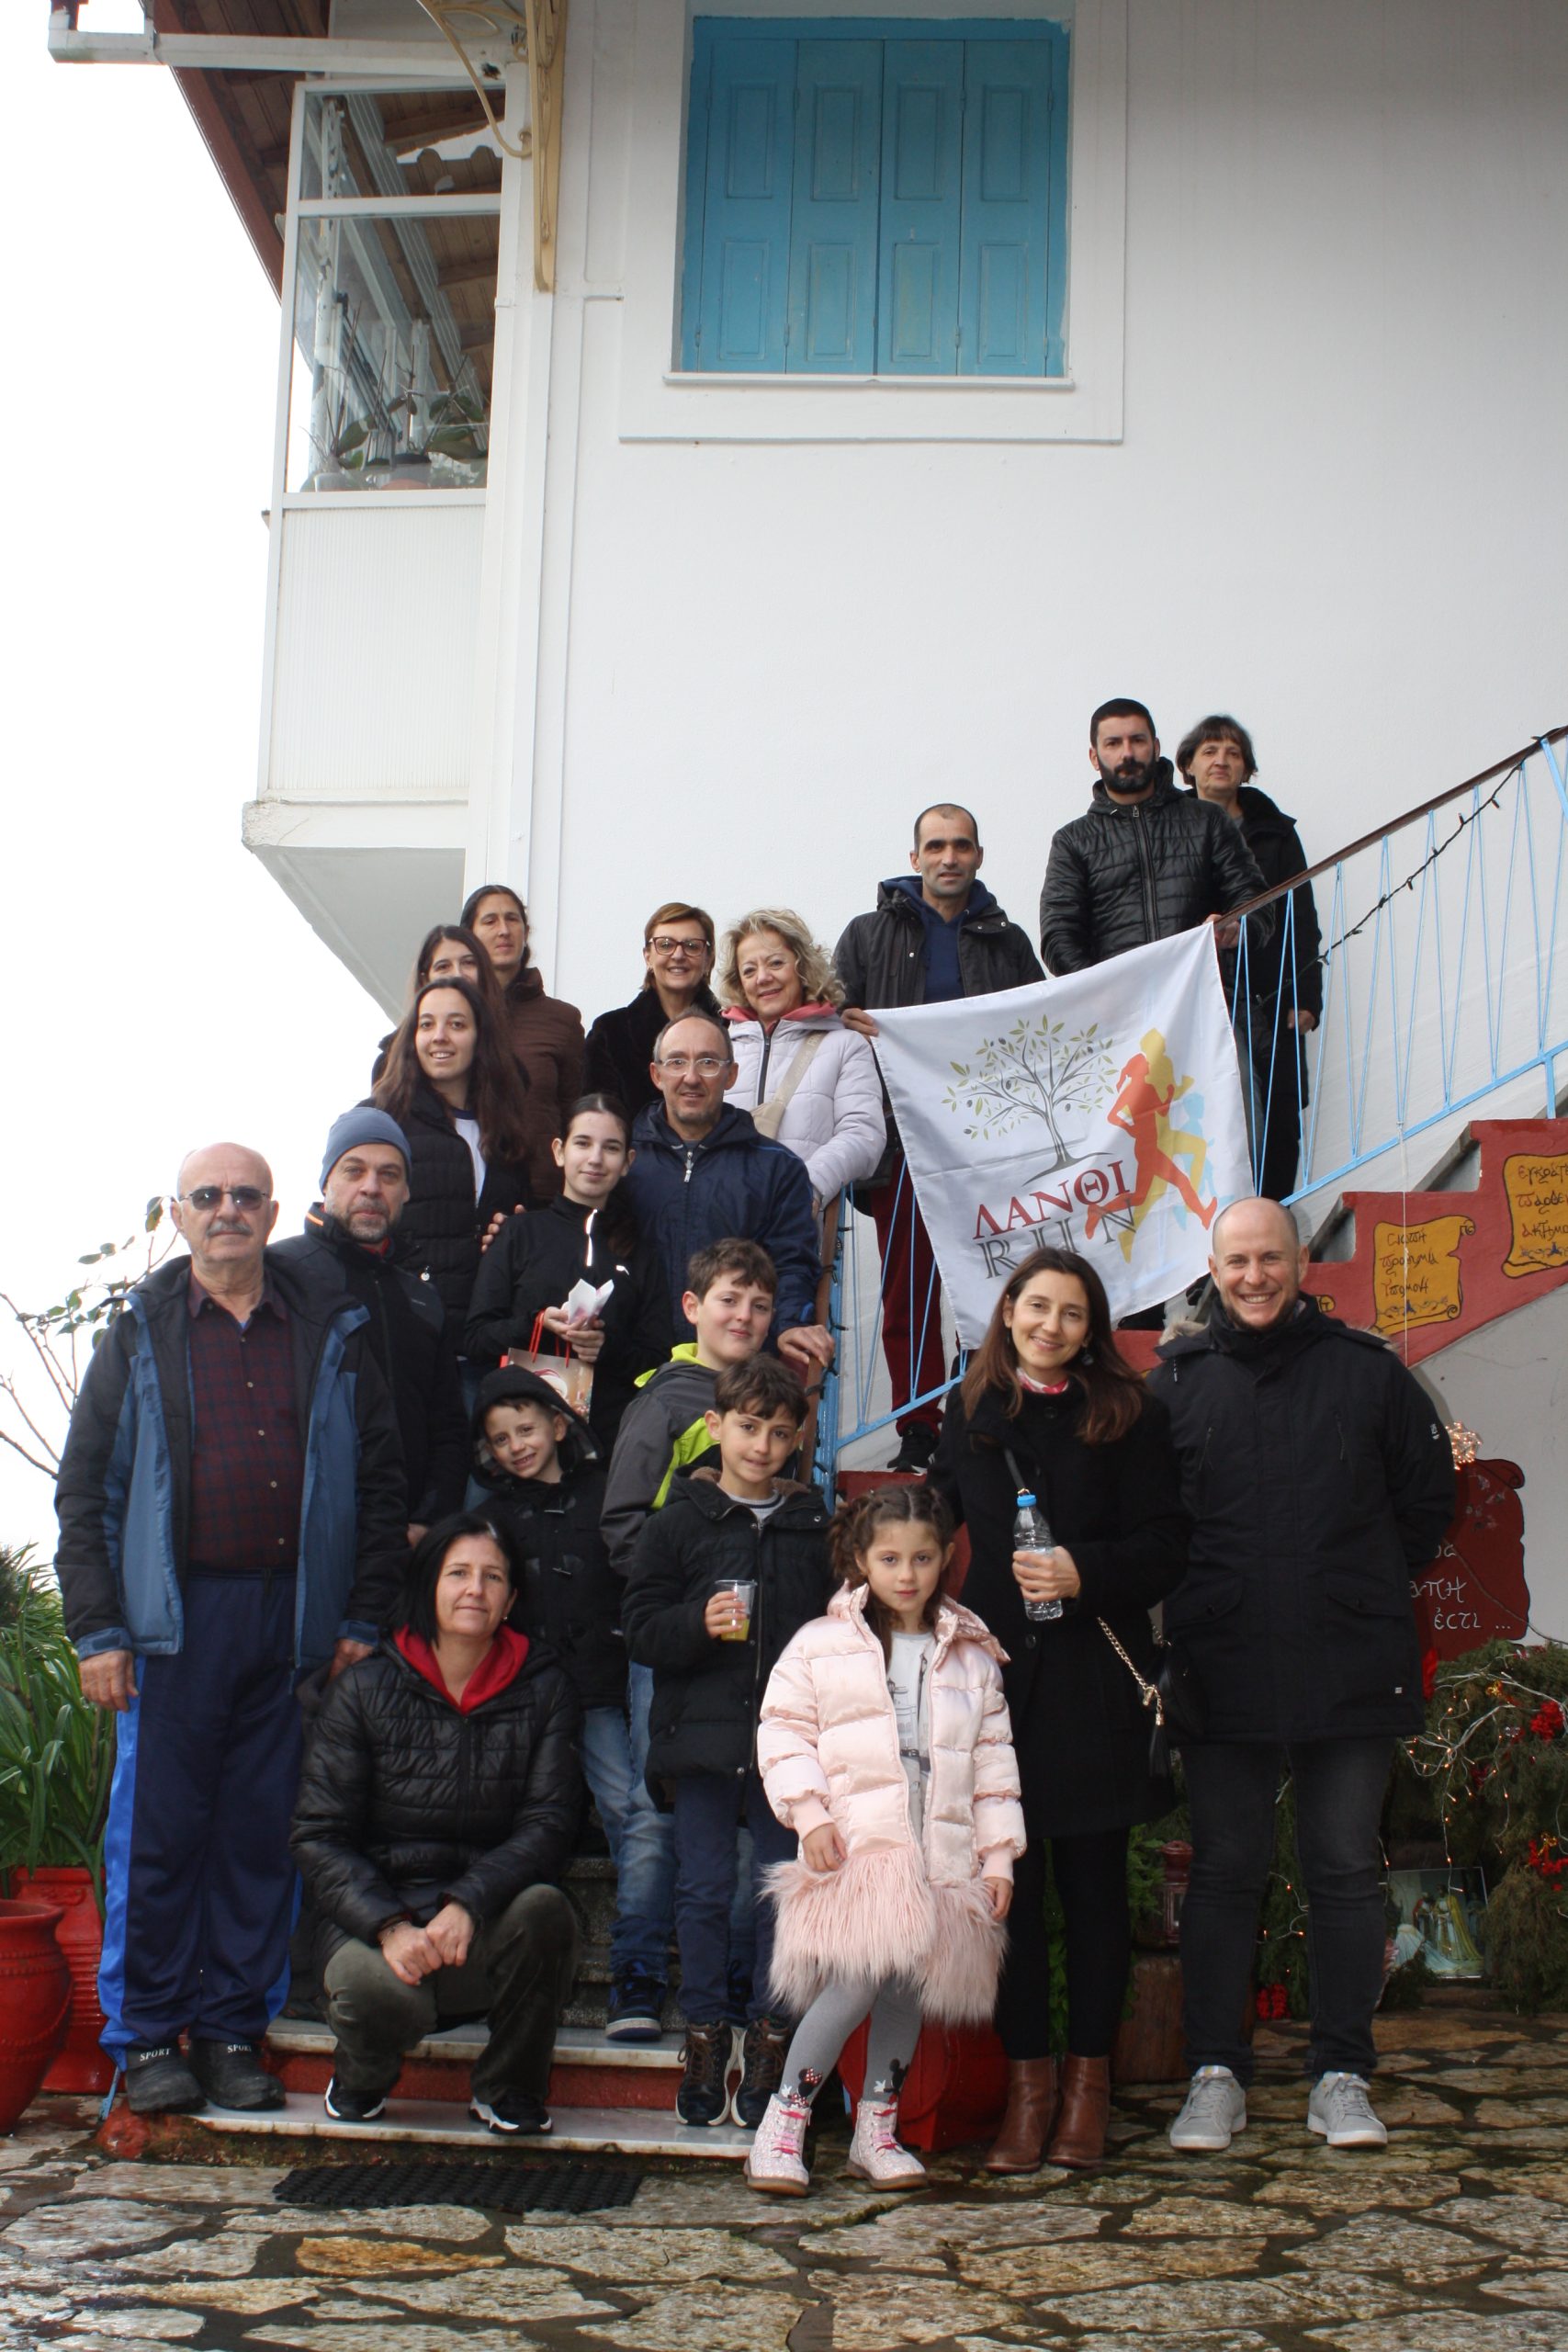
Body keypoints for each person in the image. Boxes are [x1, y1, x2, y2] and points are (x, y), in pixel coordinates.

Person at [54, 1144, 407, 2118]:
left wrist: (360, 1615)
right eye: (207, 1196)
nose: (227, 1210)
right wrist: (98, 1631)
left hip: (292, 1624)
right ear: (179, 1215)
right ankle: (145, 2039)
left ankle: (230, 2034)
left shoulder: (328, 1327)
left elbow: (380, 1484)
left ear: (273, 1212)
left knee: (260, 1839)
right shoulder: (139, 1332)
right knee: (157, 1841)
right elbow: (85, 1492)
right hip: (171, 1627)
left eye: (246, 1195)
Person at [1148, 1197, 1455, 2154]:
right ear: (1213, 1269)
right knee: (1224, 1872)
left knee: (1344, 1870)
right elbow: (1151, 1522)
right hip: (1223, 1660)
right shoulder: (1174, 1387)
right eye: (1236, 1261)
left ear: (1301, 1262)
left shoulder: (1369, 1374)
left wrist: (1355, 1581)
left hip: (1347, 1656)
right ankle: (1214, 2073)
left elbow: (1426, 1503)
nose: (1254, 1276)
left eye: (1270, 1258)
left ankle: (1341, 2075)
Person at [930, 1245, 1189, 2173]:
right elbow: (932, 1517)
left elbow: (1166, 1545)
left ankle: (1087, 2092)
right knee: (1011, 1900)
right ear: (1007, 1312)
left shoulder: (1129, 1415)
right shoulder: (970, 1410)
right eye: (1036, 1306)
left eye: (1071, 1313)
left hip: (1092, 1688)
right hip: (998, 1693)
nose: (1050, 1325)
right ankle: (1027, 2090)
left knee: (1091, 1896)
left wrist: (1086, 1571)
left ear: (1091, 1330)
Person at [745, 1485, 1025, 2195]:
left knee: (905, 1993)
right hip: (858, 1855)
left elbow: (994, 1767)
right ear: (860, 1560)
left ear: (945, 1558)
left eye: (922, 1558)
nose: (906, 1575)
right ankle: (784, 2122)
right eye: (889, 1559)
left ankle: (876, 2129)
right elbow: (783, 1733)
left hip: (939, 1860)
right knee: (852, 1985)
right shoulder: (820, 1646)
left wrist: (997, 1857)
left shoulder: (971, 1659)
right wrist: (810, 1815)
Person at [290, 1513, 581, 2134]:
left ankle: (510, 2088)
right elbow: (319, 1835)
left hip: (480, 1923)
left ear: (511, 1601)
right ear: (428, 1586)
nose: (475, 1589)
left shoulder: (544, 1688)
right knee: (374, 1993)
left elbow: (550, 1823)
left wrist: (470, 1901)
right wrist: (390, 1925)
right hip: (379, 1926)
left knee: (546, 1910)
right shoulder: (364, 1688)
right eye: (458, 1573)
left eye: (492, 1577)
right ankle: (363, 2075)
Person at [622, 1356, 832, 2132]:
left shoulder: (815, 1528)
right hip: (702, 1743)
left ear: (798, 1439)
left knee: (782, 1892)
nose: (761, 1445)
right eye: (748, 1427)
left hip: (789, 1749)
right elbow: (640, 1629)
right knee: (703, 1890)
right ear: (715, 1426)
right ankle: (706, 2034)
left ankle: (771, 2036)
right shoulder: (676, 1522)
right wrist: (694, 1622)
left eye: (778, 1433)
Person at [597, 1238, 782, 2036]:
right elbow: (622, 1524)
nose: (744, 1316)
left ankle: (733, 1981)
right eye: (729, 1300)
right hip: (673, 1644)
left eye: (760, 1305)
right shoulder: (665, 1401)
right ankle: (636, 1976)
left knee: (740, 1813)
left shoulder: (771, 1400)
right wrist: (685, 1599)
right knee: (653, 1808)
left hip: (749, 1654)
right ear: (693, 1307)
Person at [835, 805, 1043, 1470]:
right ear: (915, 856)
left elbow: (1039, 1025)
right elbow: (834, 1020)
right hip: (900, 1143)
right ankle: (919, 1426)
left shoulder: (1008, 942)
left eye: (960, 846)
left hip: (988, 1145)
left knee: (997, 1281)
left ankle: (988, 1412)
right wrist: (848, 1021)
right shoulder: (867, 934)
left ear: (978, 855)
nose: (948, 857)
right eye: (935, 846)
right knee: (910, 1291)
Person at [469, 1364, 671, 2043]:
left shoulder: (605, 1491)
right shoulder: (493, 1518)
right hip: (544, 1695)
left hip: (617, 1677)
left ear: (559, 1426)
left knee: (638, 1805)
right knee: (587, 1810)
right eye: (500, 1439)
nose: (515, 1447)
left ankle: (643, 1938)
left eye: (525, 1430)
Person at [274, 1108, 468, 1543]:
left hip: (404, 1541)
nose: (372, 1187)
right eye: (354, 1170)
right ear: (326, 1182)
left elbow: (448, 1426)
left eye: (389, 1174)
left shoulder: (422, 1297)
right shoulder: (280, 1273)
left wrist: (430, 1522)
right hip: (303, 1541)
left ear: (407, 1192)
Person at [622, 1010, 831, 1382]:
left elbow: (791, 1263)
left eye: (707, 1062)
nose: (691, 1077)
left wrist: (789, 1324)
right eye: (676, 1062)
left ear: (731, 1074)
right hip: (634, 1371)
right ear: (656, 1074)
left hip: (738, 1379)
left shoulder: (777, 1168)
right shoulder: (623, 1161)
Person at [463, 1094, 672, 1453]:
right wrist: (536, 1324)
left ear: (627, 1162)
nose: (595, 1159)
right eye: (583, 1143)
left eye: (610, 1148)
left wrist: (606, 1347)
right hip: (520, 1445)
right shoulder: (519, 1232)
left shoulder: (640, 1252)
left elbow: (658, 1359)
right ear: (559, 1152)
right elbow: (475, 1339)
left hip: (608, 1444)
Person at [1176, 715, 1323, 1202]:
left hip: (1269, 991)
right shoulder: (1169, 829)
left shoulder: (1276, 833)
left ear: (1246, 768)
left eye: (1233, 753)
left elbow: (1302, 917)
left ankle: (1271, 1218)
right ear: (1187, 766)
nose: (1221, 761)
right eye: (1210, 751)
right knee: (1204, 1119)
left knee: (1278, 1116)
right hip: (1197, 997)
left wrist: (1306, 997)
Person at [1039, 698, 1273, 977]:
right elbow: (1058, 937)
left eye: (1137, 740)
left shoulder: (1208, 820)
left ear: (1156, 747)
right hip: (1119, 1001)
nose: (1128, 753)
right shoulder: (1072, 841)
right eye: (1113, 743)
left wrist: (1238, 927)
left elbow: (1255, 900)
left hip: (1204, 992)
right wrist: (1103, 990)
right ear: (1094, 757)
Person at [370, 975, 535, 1342]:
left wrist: (510, 1232)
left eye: (456, 1025)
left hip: (481, 1338)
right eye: (427, 1024)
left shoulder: (507, 1126)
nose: (439, 1036)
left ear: (480, 1038)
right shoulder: (381, 1119)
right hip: (403, 1333)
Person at [717, 908, 886, 1227]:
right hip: (722, 1226)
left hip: (797, 1231)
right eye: (749, 970)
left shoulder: (845, 1045)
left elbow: (864, 1134)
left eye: (775, 963)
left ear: (802, 966)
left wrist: (806, 1185)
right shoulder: (719, 1050)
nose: (762, 977)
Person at [461, 883, 586, 1204]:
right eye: (490, 921)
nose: (503, 930)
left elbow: (576, 1117)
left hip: (540, 1197)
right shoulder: (453, 1017)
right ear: (470, 936)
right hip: (464, 1191)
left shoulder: (562, 1020)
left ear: (525, 931)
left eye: (512, 919)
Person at [584, 902, 721, 1119]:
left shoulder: (732, 1028)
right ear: (648, 956)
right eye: (665, 945)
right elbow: (597, 1120)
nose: (678, 955)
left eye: (692, 946)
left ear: (708, 959)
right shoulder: (611, 1032)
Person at [370, 924, 511, 1088]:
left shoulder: (505, 1059)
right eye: (443, 966)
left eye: (468, 963)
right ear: (425, 979)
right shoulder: (391, 1064)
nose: (458, 974)